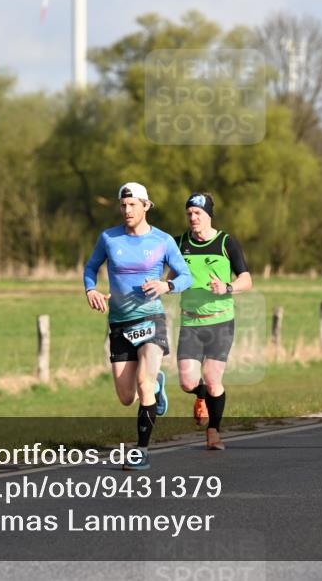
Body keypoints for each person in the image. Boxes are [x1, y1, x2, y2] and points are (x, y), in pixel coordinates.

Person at [84, 182, 192, 471]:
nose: (127, 210)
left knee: (142, 382)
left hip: (151, 320)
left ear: (146, 205)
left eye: (133, 205)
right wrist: (90, 289)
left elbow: (186, 276)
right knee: (125, 397)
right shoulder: (109, 238)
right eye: (123, 205)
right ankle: (157, 386)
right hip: (119, 323)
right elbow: (90, 267)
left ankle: (141, 450)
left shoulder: (163, 241)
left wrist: (165, 284)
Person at [175, 193, 252, 450]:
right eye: (189, 214)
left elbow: (247, 280)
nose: (193, 218)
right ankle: (200, 396)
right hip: (190, 322)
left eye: (197, 213)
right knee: (187, 381)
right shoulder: (179, 243)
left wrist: (227, 287)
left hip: (220, 321)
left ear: (209, 215)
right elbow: (162, 273)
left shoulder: (226, 242)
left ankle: (213, 433)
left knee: (211, 377)